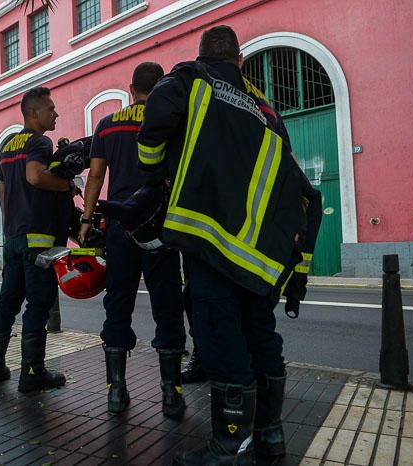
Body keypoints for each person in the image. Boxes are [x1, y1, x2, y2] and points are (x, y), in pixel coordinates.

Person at [137, 26, 321, 464]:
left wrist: (160, 173)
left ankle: (230, 445)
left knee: (221, 336)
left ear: (203, 55)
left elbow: (150, 143)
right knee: (261, 336)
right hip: (261, 253)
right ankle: (270, 437)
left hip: (212, 239)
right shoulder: (265, 109)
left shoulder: (187, 80)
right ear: (240, 61)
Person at [78, 62, 187, 418]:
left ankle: (116, 391)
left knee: (118, 303)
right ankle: (171, 393)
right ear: (160, 88)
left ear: (130, 89)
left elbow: (95, 176)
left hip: (120, 229)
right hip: (160, 228)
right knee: (167, 304)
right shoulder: (169, 122)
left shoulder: (107, 125)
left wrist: (86, 220)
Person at [0, 86, 78, 393]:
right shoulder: (40, 142)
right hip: (37, 239)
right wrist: (65, 186)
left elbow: (1, 193)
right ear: (34, 112)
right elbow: (36, 176)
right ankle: (33, 372)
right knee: (39, 305)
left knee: (7, 303)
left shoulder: (8, 147)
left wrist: (12, 222)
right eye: (50, 108)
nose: (55, 113)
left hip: (12, 237)